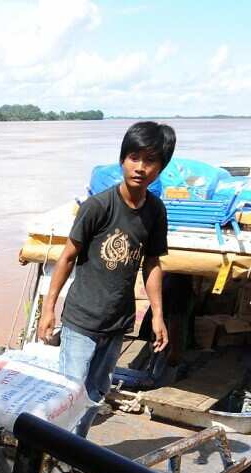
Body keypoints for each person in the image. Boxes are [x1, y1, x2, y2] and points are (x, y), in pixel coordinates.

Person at [37, 121, 175, 436]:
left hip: (117, 324)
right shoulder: (98, 207)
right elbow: (67, 258)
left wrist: (158, 317)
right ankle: (56, 452)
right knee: (70, 393)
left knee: (97, 392)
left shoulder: (156, 211)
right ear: (122, 159)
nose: (140, 167)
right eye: (134, 157)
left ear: (161, 167)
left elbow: (151, 263)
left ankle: (76, 450)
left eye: (150, 160)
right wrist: (48, 310)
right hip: (82, 320)